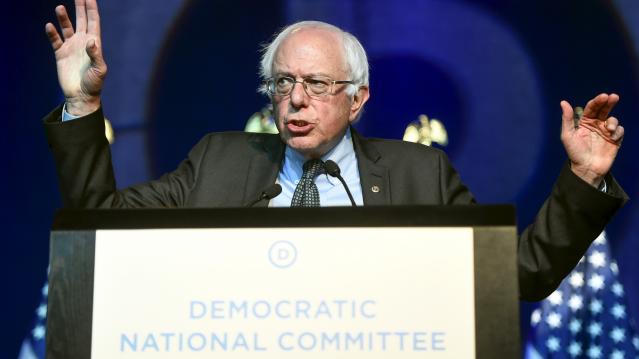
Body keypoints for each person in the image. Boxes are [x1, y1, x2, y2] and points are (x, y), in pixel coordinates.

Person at [43, 0, 627, 300]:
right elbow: (103, 230)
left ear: (358, 98)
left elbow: (518, 276)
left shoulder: (417, 172)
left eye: (317, 85)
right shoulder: (218, 160)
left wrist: (581, 177)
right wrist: (82, 106)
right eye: (283, 85)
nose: (296, 100)